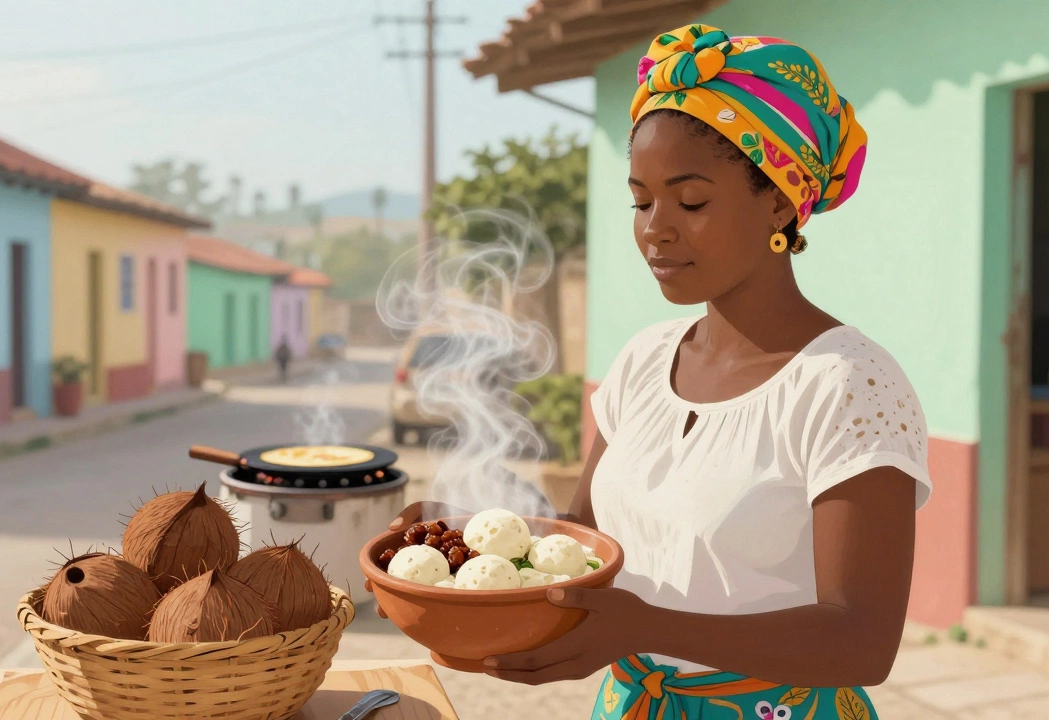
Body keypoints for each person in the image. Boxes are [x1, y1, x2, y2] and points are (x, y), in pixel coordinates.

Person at [389, 23, 932, 719]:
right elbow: (581, 538)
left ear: (777, 200)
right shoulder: (646, 361)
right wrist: (460, 550)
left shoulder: (848, 385)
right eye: (641, 201)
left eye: (691, 201)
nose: (655, 228)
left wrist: (643, 627)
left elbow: (862, 642)